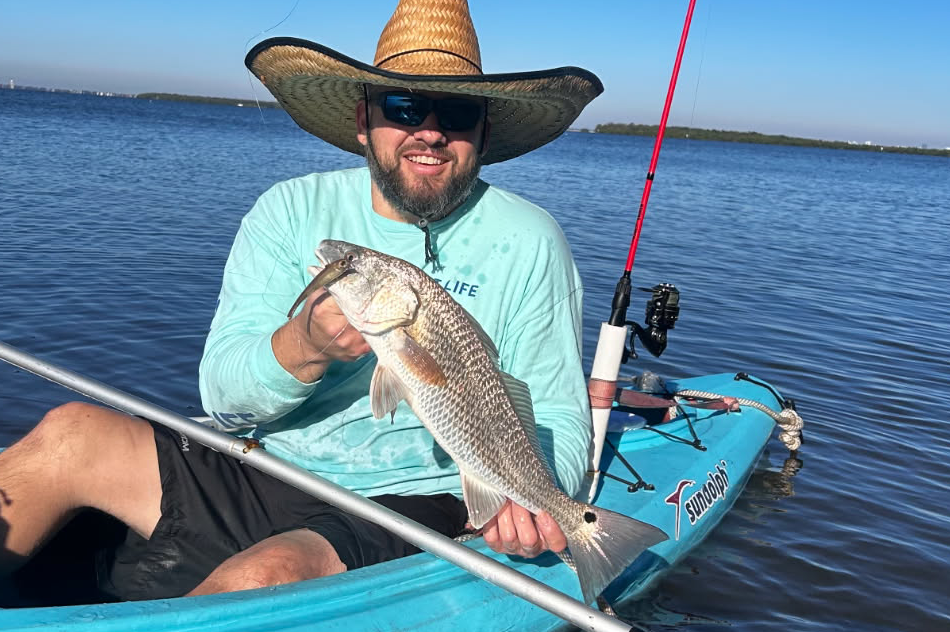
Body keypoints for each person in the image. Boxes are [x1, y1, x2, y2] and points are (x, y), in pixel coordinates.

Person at [0, 0, 603, 602]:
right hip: (262, 460)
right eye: (405, 106)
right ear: (364, 120)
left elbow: (556, 410)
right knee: (67, 433)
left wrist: (537, 500)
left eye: (459, 112)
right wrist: (304, 346)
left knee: (264, 576)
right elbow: (223, 399)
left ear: (484, 133)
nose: (430, 130)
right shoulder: (287, 210)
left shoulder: (530, 240)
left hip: (408, 498)